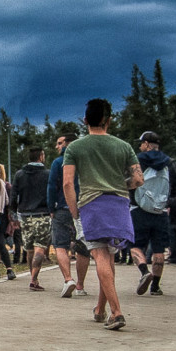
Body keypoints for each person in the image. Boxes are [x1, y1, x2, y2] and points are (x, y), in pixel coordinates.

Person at [63, 98, 142, 331]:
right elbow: (138, 179)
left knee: (100, 256)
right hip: (119, 204)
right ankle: (100, 309)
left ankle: (117, 312)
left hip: (92, 204)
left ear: (85, 120)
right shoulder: (124, 146)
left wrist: (74, 210)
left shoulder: (75, 147)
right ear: (109, 120)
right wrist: (118, 185)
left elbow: (68, 183)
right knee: (108, 256)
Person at [128, 131, 176, 297]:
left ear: (145, 144)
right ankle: (156, 287)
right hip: (160, 211)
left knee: (135, 245)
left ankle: (144, 271)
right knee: (159, 249)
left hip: (138, 209)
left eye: (140, 144)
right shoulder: (171, 163)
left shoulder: (136, 160)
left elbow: (128, 182)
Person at [48, 133, 89, 297]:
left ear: (69, 143)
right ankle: (80, 285)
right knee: (83, 247)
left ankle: (68, 279)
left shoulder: (58, 162)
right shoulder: (86, 161)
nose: (57, 147)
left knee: (60, 245)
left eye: (60, 143)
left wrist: (51, 207)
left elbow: (51, 186)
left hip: (63, 207)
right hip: (85, 207)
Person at [13, 148, 51, 291]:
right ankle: (34, 278)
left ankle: (32, 278)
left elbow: (13, 196)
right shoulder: (48, 174)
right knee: (40, 247)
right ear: (41, 156)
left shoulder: (19, 174)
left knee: (29, 249)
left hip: (25, 215)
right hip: (43, 214)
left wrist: (14, 215)